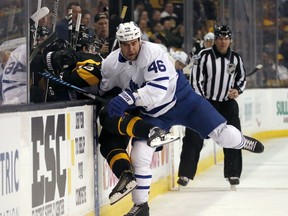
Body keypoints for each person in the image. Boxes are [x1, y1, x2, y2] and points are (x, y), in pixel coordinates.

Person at [99, 21, 264, 215]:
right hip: (154, 115)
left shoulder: (153, 53)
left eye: (134, 43)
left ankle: (241, 141)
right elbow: (104, 88)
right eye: (125, 44)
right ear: (119, 43)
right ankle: (141, 206)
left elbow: (157, 91)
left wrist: (128, 98)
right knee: (139, 155)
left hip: (184, 101)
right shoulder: (111, 63)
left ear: (139, 40)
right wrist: (107, 100)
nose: (131, 48)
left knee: (222, 134)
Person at [177, 25, 247, 188]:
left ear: (230, 40)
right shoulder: (203, 56)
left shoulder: (236, 59)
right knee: (193, 137)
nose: (223, 42)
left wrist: (237, 89)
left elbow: (242, 79)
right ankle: (185, 174)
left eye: (226, 38)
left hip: (226, 104)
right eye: (220, 38)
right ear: (215, 40)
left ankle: (233, 173)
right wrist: (202, 102)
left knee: (234, 136)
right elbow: (195, 80)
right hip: (204, 103)